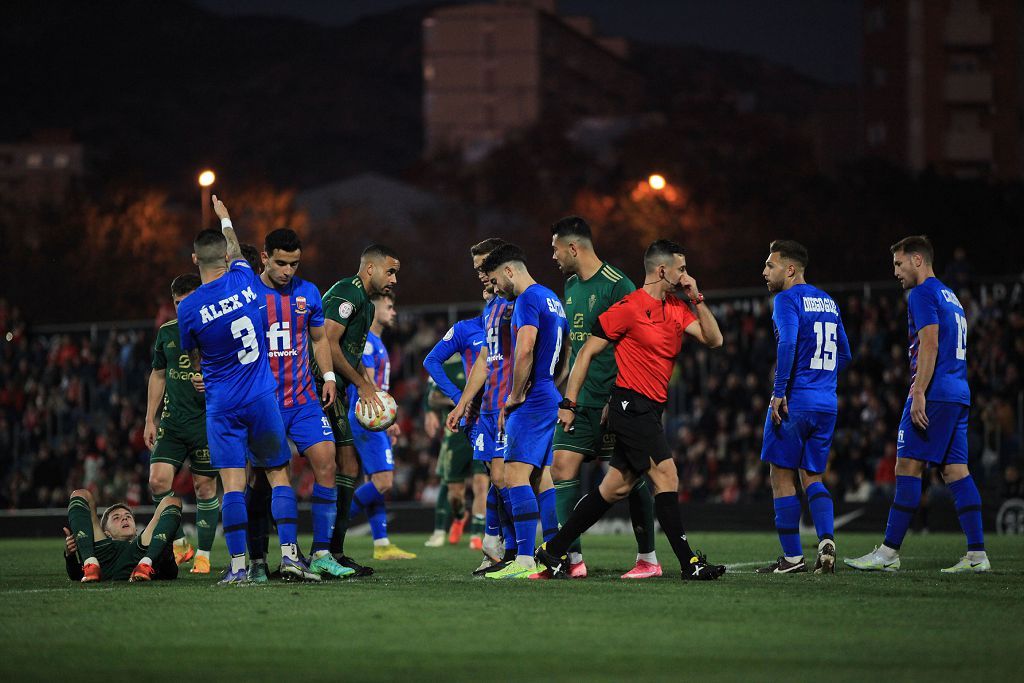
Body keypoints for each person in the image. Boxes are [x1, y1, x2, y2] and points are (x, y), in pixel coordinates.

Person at [536, 240, 727, 581]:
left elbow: (714, 340)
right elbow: (585, 354)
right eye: (681, 269)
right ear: (662, 269)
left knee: (615, 489)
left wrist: (696, 296)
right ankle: (689, 563)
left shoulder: (677, 307)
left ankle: (551, 551)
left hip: (652, 408)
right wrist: (569, 402)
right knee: (667, 476)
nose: (686, 275)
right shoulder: (628, 307)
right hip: (629, 404)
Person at [177, 195, 314, 584]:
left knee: (233, 485)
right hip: (261, 396)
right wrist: (226, 218)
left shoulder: (187, 309)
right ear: (226, 257)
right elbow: (237, 249)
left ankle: (238, 566)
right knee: (278, 475)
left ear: (194, 261)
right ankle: (289, 556)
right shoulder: (245, 280)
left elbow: (195, 356)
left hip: (222, 404)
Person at [846, 236, 990, 573]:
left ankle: (888, 553)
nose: (895, 271)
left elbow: (929, 344)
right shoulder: (951, 296)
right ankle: (977, 555)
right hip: (958, 392)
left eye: (899, 263)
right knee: (956, 471)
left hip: (935, 392)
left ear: (917, 260)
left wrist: (919, 392)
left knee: (907, 467)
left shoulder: (922, 293)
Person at [550, 216, 659, 579]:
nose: (553, 256)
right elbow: (575, 347)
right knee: (562, 466)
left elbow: (639, 344)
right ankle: (573, 560)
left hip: (614, 400)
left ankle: (647, 558)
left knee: (632, 479)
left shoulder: (618, 285)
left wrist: (619, 397)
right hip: (579, 401)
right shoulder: (569, 286)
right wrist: (564, 392)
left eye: (555, 249)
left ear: (573, 248)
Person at [241, 228, 353, 581]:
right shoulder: (246, 294)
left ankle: (320, 553)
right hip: (264, 402)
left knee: (327, 462)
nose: (288, 270)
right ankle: (259, 556)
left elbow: (319, 339)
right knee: (263, 480)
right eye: (281, 263)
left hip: (303, 399)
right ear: (264, 257)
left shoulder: (308, 293)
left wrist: (330, 377)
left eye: (294, 263)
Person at [473, 243, 569, 580]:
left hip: (531, 397)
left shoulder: (527, 299)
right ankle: (556, 553)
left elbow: (525, 349)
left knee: (513, 475)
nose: (495, 287)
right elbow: (566, 351)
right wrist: (551, 384)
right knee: (540, 476)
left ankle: (524, 559)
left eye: (497, 280)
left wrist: (514, 396)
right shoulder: (552, 298)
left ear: (510, 270)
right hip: (549, 391)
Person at [755, 240, 850, 575]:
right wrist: (822, 380)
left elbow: (789, 341)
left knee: (781, 476)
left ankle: (793, 557)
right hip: (827, 402)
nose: (765, 271)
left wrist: (780, 391)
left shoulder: (785, 299)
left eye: (770, 265)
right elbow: (845, 353)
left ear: (790, 269)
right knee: (812, 476)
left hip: (795, 401)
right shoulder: (828, 301)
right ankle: (826, 540)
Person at [318, 244, 400, 575]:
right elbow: (328, 342)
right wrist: (363, 384)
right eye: (390, 271)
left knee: (349, 466)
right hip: (313, 388)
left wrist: (371, 388)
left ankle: (334, 552)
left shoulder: (365, 305)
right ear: (370, 269)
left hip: (336, 391)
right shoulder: (346, 292)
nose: (394, 279)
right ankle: (309, 550)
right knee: (321, 466)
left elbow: (350, 356)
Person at [447, 238, 521, 575]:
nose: (480, 274)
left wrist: (521, 394)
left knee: (516, 479)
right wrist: (462, 403)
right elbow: (485, 362)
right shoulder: (491, 307)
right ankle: (499, 547)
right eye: (476, 269)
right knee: (497, 479)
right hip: (489, 409)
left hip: (514, 407)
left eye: (484, 267)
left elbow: (530, 352)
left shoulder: (518, 303)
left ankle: (525, 551)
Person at [144, 273, 220, 574]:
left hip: (206, 423)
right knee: (157, 481)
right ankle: (178, 545)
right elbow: (158, 374)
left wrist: (212, 380)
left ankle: (203, 555)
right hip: (173, 424)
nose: (182, 309)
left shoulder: (217, 331)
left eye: (187, 302)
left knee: (204, 489)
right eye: (178, 303)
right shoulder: (167, 333)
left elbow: (238, 370)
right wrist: (150, 417)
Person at [347, 292, 415, 560]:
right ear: (373, 312)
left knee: (374, 481)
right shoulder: (367, 343)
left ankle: (382, 543)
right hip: (369, 419)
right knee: (384, 482)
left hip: (373, 418)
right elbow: (368, 385)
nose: (393, 312)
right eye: (389, 307)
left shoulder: (377, 342)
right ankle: (334, 527)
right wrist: (386, 420)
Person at [422, 292, 489, 549]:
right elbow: (431, 373)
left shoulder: (513, 329)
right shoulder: (462, 338)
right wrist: (459, 399)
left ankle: (482, 534)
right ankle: (460, 516)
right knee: (455, 494)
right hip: (464, 425)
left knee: (489, 482)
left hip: (495, 416)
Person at [65, 488, 182, 582]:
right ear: (106, 532)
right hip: (104, 554)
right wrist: (70, 556)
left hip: (141, 556)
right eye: (116, 517)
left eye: (128, 516)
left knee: (172, 501)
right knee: (80, 494)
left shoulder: (150, 545)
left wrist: (167, 551)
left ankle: (145, 564)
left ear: (136, 529)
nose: (124, 518)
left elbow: (169, 574)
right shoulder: (98, 546)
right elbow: (76, 575)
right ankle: (89, 563)